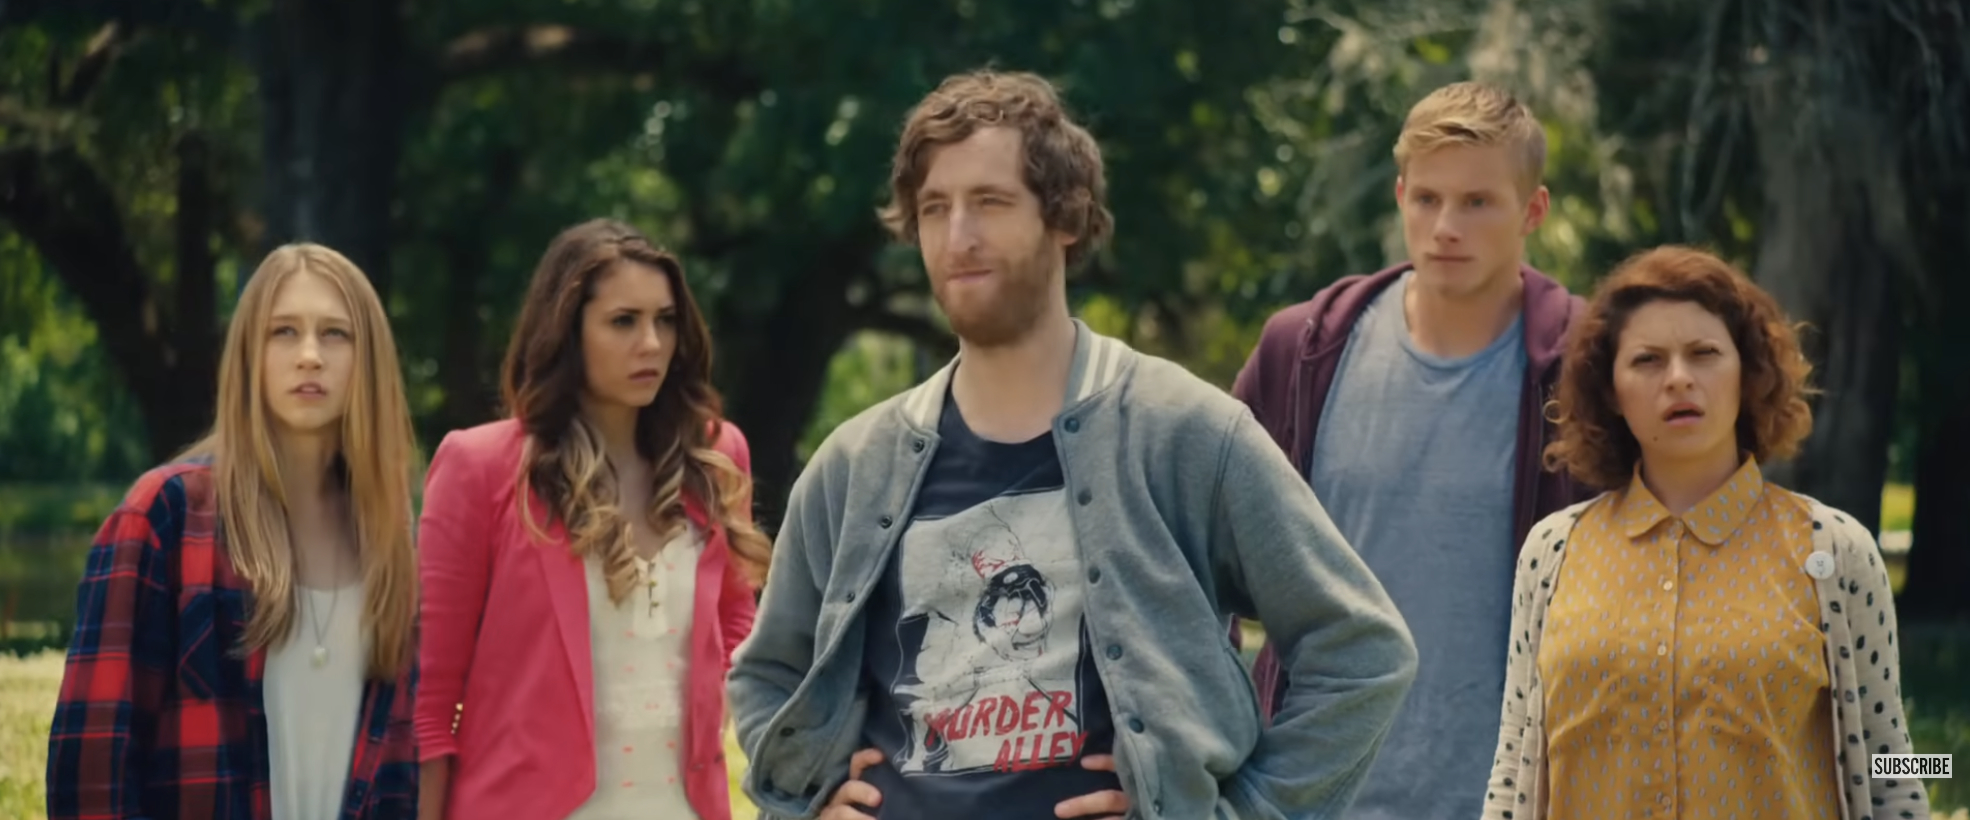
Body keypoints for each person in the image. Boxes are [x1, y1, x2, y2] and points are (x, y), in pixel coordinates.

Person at [726, 69, 1418, 820]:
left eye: (989, 202)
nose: (958, 236)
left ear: (1066, 216)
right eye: (934, 209)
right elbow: (767, 674)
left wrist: (1240, 813)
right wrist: (806, 803)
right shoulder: (856, 464)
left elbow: (1362, 653)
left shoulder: (1181, 430)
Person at [1230, 80, 1593, 819]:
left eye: (1478, 202)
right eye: (1426, 199)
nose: (1445, 226)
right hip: (1309, 797)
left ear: (1533, 211)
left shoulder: (1592, 365)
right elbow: (1195, 555)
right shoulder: (1303, 354)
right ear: (1399, 197)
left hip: (1512, 798)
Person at [1484, 245, 1930, 820]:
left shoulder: (1833, 550)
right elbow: (1513, 764)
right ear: (1610, 390)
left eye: (1704, 354)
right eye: (1647, 360)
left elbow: (1894, 761)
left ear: (1747, 373)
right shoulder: (1553, 553)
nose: (1678, 379)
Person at [45, 243, 423, 819]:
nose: (310, 356)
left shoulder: (391, 537)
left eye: (335, 334)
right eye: (284, 332)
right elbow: (92, 772)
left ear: (368, 359)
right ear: (248, 352)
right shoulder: (164, 517)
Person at [413, 219, 770, 820]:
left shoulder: (715, 458)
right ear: (566, 332)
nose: (653, 344)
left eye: (665, 320)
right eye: (623, 321)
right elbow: (427, 702)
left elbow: (742, 631)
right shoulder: (481, 469)